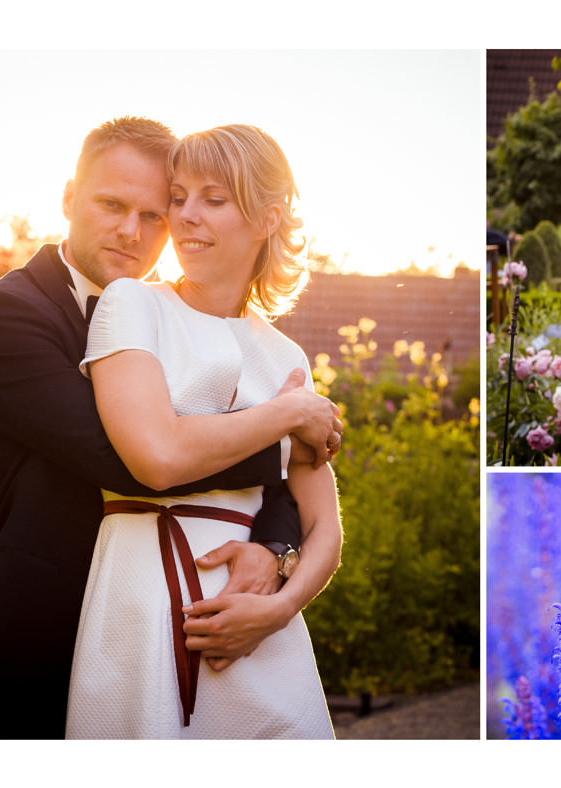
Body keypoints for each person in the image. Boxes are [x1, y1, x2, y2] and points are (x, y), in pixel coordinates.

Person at [0, 117, 342, 739]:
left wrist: (273, 552)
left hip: (221, 609)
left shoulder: (269, 349)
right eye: (111, 205)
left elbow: (300, 506)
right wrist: (286, 429)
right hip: (61, 619)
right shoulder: (7, 315)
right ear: (70, 199)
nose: (137, 229)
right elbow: (136, 458)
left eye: (156, 211)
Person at [65, 124, 341, 738]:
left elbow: (324, 524)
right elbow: (156, 458)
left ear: (267, 218)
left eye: (213, 200)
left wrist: (277, 607)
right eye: (181, 196)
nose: (186, 216)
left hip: (261, 622)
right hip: (142, 592)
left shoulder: (284, 353)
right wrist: (288, 413)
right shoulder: (132, 305)